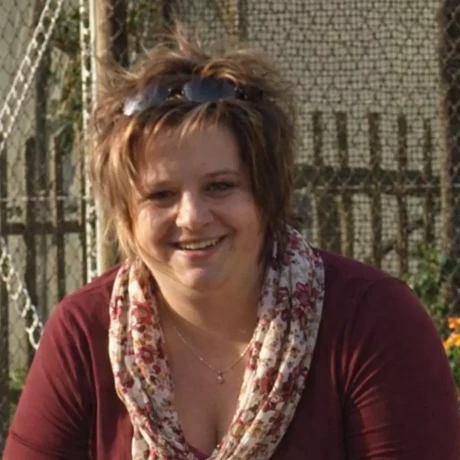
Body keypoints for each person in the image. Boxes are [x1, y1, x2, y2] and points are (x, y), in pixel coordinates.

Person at [3, 24, 460, 460]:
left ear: (266, 192)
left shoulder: (372, 323)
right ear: (125, 215)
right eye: (161, 195)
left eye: (220, 186)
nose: (192, 217)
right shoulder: (85, 336)